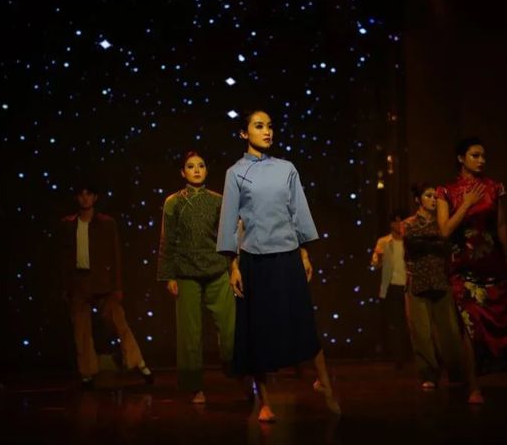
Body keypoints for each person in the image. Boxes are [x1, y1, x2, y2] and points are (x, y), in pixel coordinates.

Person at [216, 109, 340, 422]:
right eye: (259, 126)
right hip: (255, 260)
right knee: (257, 331)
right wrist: (233, 266)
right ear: (244, 133)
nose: (267, 131)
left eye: (269, 126)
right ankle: (265, 401)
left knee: (303, 321)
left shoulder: (287, 168)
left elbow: (298, 210)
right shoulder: (235, 173)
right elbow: (229, 220)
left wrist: (304, 253)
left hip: (287, 255)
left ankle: (324, 383)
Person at [436, 137, 507, 404]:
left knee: (498, 321)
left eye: (483, 155)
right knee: (469, 325)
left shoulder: (493, 187)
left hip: (492, 263)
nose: (481, 160)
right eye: (475, 155)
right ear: (461, 158)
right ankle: (474, 386)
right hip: (463, 267)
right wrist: (467, 203)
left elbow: (500, 225)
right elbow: (444, 230)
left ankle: (498, 373)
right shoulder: (446, 191)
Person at [157, 151, 236, 404]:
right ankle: (194, 386)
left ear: (206, 170)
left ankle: (236, 370)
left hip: (217, 269)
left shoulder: (218, 200)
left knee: (231, 327)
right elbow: (167, 240)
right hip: (185, 272)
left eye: (201, 165)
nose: (197, 170)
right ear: (183, 172)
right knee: (190, 333)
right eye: (191, 166)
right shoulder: (173, 202)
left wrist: (233, 267)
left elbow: (229, 237)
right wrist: (169, 276)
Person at [59, 183, 153, 389]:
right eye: (81, 194)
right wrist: (66, 287)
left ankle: (138, 363)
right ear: (77, 198)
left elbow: (115, 255)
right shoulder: (68, 224)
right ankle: (87, 373)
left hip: (103, 282)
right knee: (81, 330)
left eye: (89, 194)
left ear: (95, 198)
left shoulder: (106, 223)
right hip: (79, 282)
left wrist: (117, 286)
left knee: (119, 322)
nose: (85, 198)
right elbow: (64, 258)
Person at [403, 183, 463, 389]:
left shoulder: (443, 223)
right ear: (418, 199)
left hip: (440, 280)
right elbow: (413, 243)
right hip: (418, 281)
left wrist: (436, 240)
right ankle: (428, 374)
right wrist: (436, 241)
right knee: (421, 333)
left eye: (435, 196)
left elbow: (447, 245)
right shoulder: (409, 223)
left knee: (450, 332)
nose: (433, 200)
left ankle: (456, 372)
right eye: (428, 196)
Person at [370, 210, 411, 369]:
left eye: (401, 221)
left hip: (409, 286)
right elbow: (374, 264)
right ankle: (398, 359)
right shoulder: (384, 241)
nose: (398, 225)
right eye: (395, 221)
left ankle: (412, 355)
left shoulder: (409, 240)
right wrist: (379, 257)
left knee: (411, 322)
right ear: (390, 224)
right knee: (397, 323)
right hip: (392, 287)